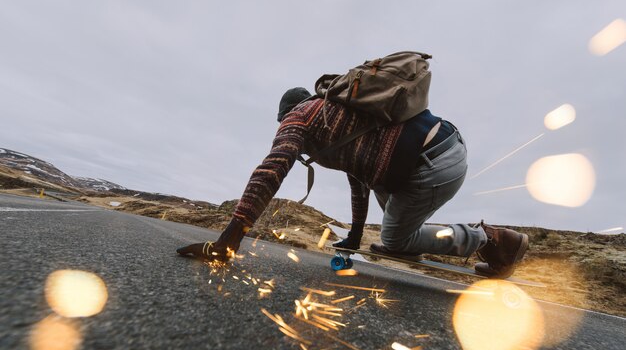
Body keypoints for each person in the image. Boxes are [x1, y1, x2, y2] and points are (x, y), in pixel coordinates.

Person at [177, 87, 529, 278]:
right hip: (437, 150)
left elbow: (273, 168)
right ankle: (411, 239)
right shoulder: (336, 114)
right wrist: (357, 234)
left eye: (281, 123)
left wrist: (229, 239)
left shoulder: (299, 116)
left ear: (286, 114)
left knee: (394, 239)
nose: (283, 129)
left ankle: (492, 239)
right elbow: (360, 179)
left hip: (433, 162)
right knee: (390, 215)